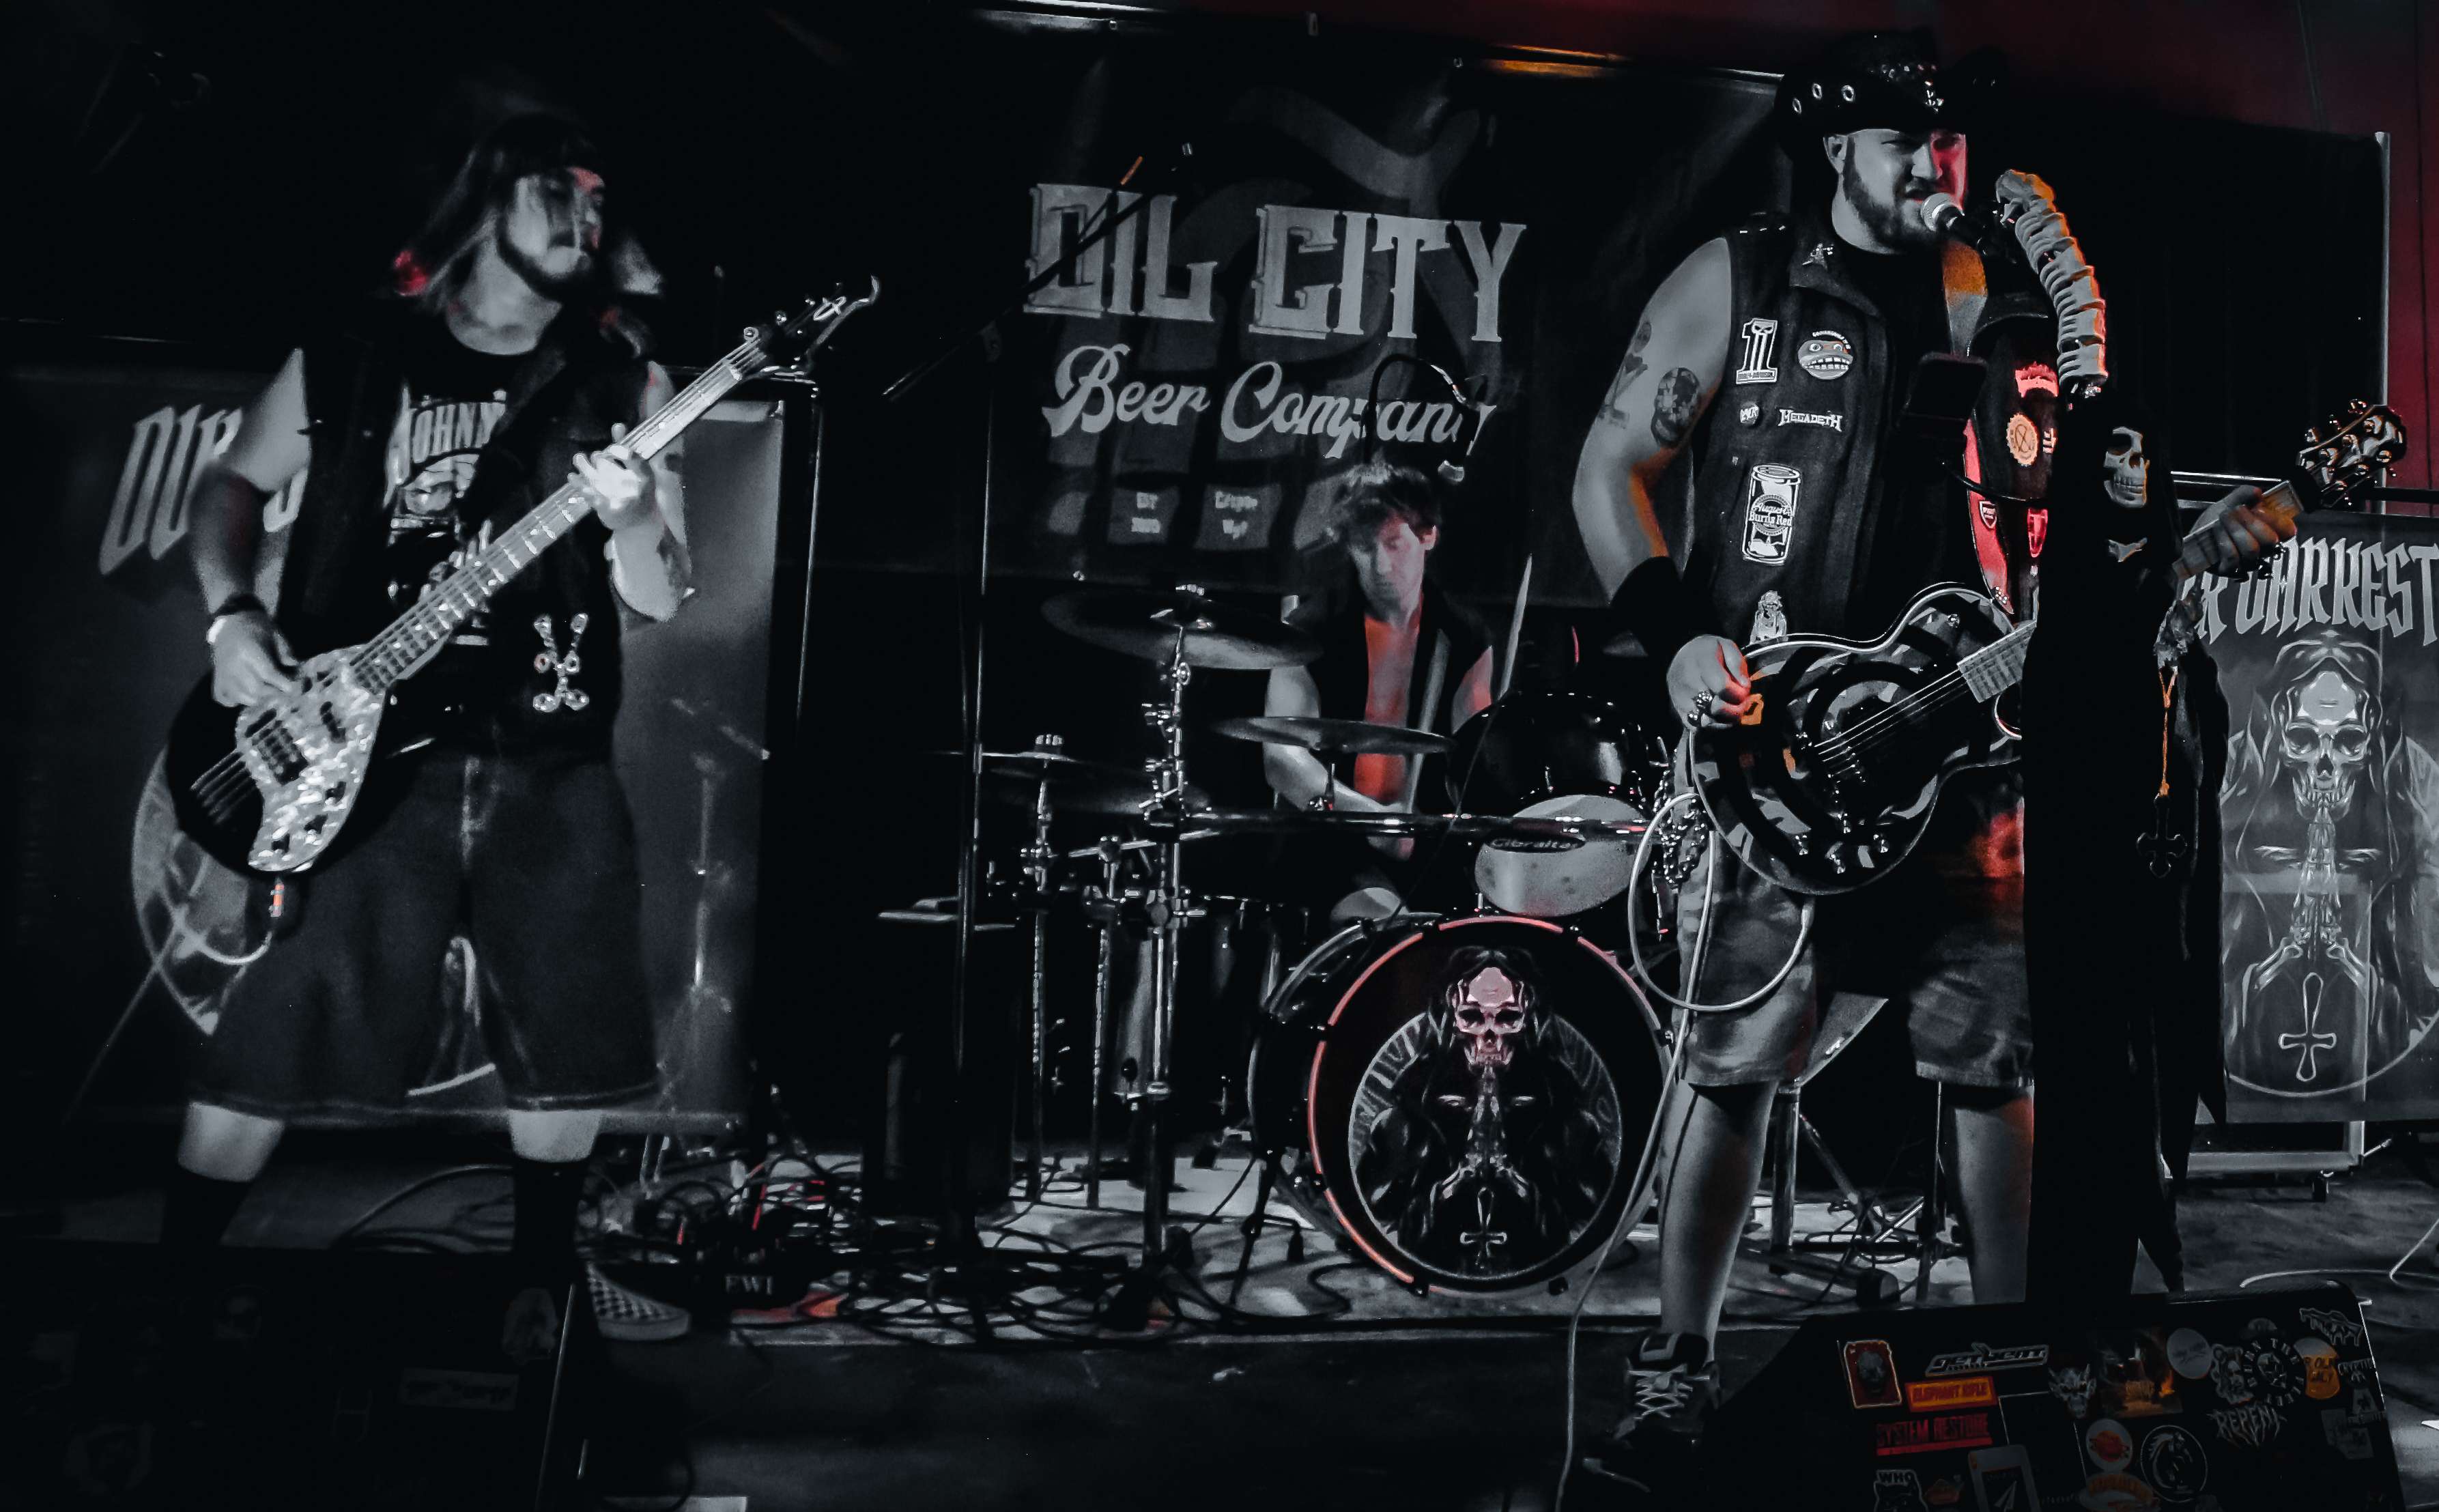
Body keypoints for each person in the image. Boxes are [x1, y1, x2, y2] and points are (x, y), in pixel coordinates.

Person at [1567, 32, 2291, 1490]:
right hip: (1776, 742)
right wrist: (1674, 639)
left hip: (1969, 753)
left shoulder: (2004, 313)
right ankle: (1676, 1371)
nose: (1935, 162)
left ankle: (2009, 1364)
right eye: (1904, 138)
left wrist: (2149, 583)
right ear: (1839, 146)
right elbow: (1608, 470)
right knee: (1728, 1071)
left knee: (1990, 1068)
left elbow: (2066, 552)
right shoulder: (1738, 281)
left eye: (1949, 137)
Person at [166, 115, 695, 1348]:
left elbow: (666, 590)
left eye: (598, 195)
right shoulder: (352, 356)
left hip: (546, 750)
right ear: (483, 201)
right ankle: (167, 1302)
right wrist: (232, 620)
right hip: (344, 755)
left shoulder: (624, 379)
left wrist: (625, 520)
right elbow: (230, 484)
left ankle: (539, 1297)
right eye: (557, 188)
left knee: (568, 1042)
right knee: (273, 1032)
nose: (585, 213)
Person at [1261, 459, 1495, 920]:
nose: (1381, 564)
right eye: (1365, 547)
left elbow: (1474, 758)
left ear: (1427, 536)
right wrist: (1366, 815)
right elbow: (1281, 760)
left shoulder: (1465, 636)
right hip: (1332, 838)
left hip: (1428, 842)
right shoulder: (1309, 631)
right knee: (1381, 925)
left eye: (1393, 543)